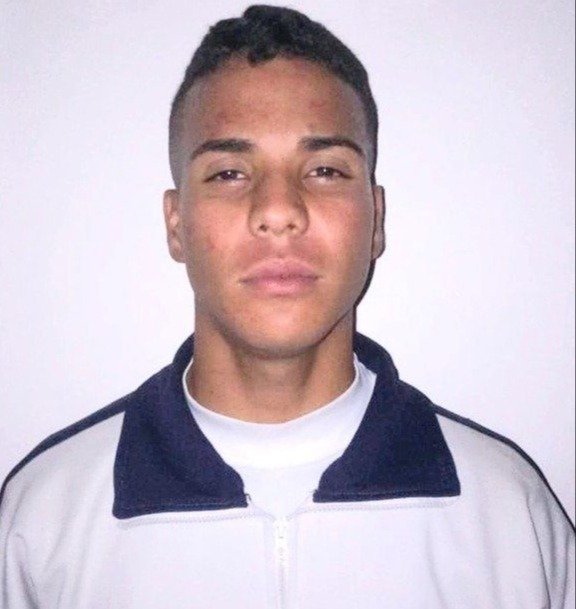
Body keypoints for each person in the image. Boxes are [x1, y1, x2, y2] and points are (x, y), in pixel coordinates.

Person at [1, 5, 573, 608]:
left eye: (324, 170)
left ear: (376, 219)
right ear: (176, 225)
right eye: (229, 173)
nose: (278, 211)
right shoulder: (43, 524)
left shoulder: (508, 517)